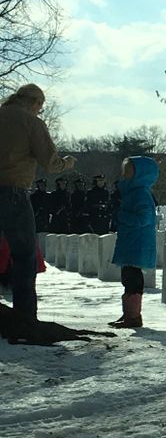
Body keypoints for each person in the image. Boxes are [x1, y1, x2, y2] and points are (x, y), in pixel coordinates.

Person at [0, 83, 75, 319]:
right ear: (35, 103)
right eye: (40, 107)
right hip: (13, 192)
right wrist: (68, 163)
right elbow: (50, 163)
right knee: (24, 255)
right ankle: (24, 317)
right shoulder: (31, 122)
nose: (39, 112)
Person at [108, 155, 158, 328]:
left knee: (133, 279)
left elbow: (144, 218)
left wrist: (122, 216)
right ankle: (128, 314)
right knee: (127, 278)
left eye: (128, 171)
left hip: (137, 243)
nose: (124, 174)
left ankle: (133, 316)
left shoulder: (140, 194)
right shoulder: (133, 192)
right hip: (131, 241)